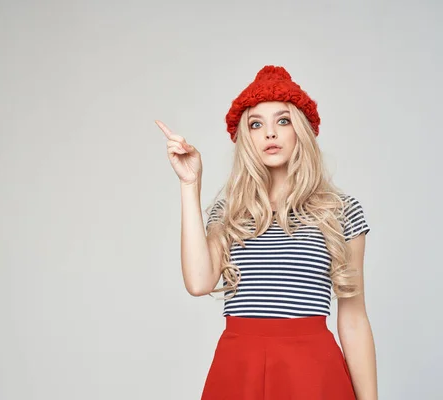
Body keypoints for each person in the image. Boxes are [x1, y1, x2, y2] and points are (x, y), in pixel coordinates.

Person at [155, 65, 377, 399]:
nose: (270, 133)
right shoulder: (229, 211)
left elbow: (354, 319)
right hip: (237, 370)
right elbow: (199, 283)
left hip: (313, 373)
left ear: (300, 129)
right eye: (256, 124)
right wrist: (190, 184)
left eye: (283, 120)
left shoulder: (340, 211)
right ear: (246, 138)